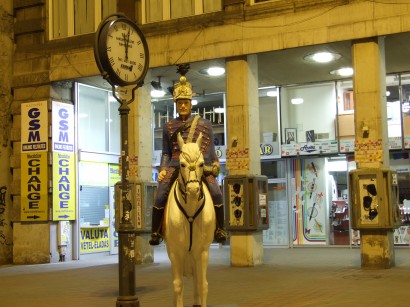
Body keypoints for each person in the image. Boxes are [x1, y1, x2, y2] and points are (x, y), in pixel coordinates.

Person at [149, 75, 228, 245]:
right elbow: (166, 153)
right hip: (177, 165)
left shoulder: (205, 124)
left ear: (191, 104)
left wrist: (214, 165)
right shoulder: (168, 126)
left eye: (185, 102)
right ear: (176, 105)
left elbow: (211, 152)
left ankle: (220, 229)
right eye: (179, 103)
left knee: (216, 192)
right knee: (160, 193)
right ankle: (156, 232)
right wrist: (163, 169)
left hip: (199, 166)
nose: (183, 106)